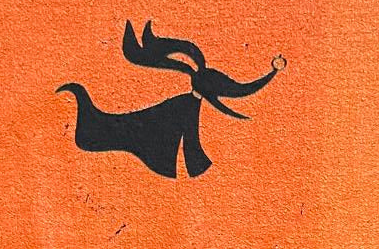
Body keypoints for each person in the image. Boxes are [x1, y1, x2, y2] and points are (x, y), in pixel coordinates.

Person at [58, 20, 285, 179]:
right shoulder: (184, 105)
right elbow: (188, 140)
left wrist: (271, 73)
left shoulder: (186, 104)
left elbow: (188, 141)